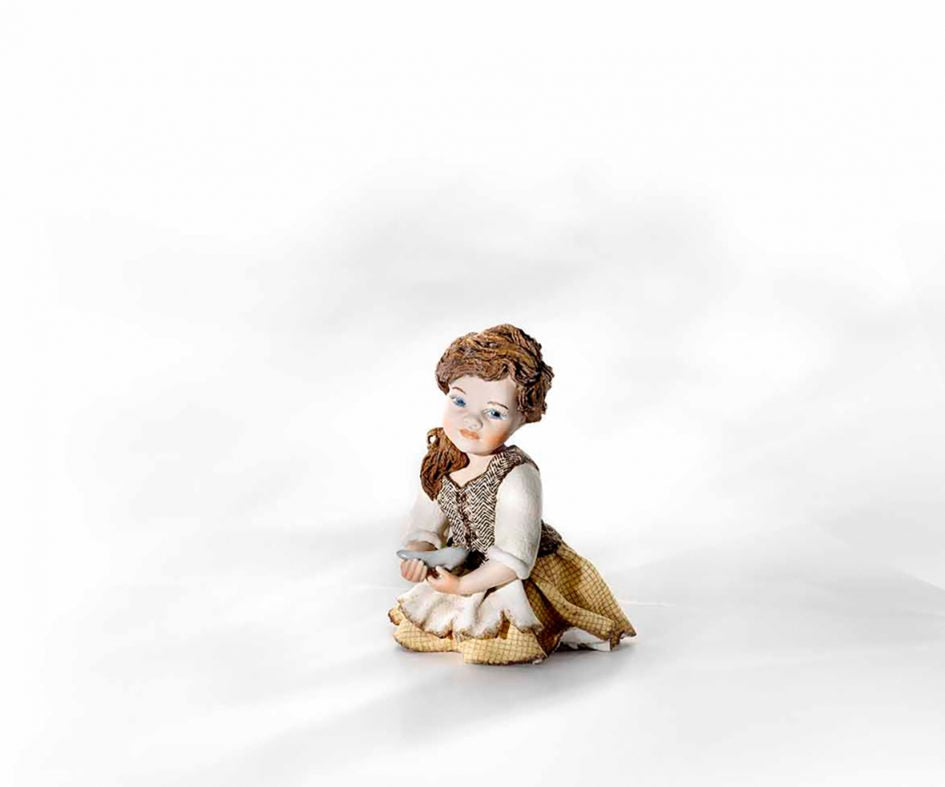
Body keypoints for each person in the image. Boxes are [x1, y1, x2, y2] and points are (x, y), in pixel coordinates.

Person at [388, 324, 636, 665]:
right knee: (418, 632)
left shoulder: (517, 475)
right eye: (459, 401)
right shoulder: (441, 461)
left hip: (513, 570)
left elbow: (513, 558)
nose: (471, 421)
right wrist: (419, 557)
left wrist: (461, 587)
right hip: (464, 563)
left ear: (522, 418)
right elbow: (425, 528)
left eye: (494, 413)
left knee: (500, 642)